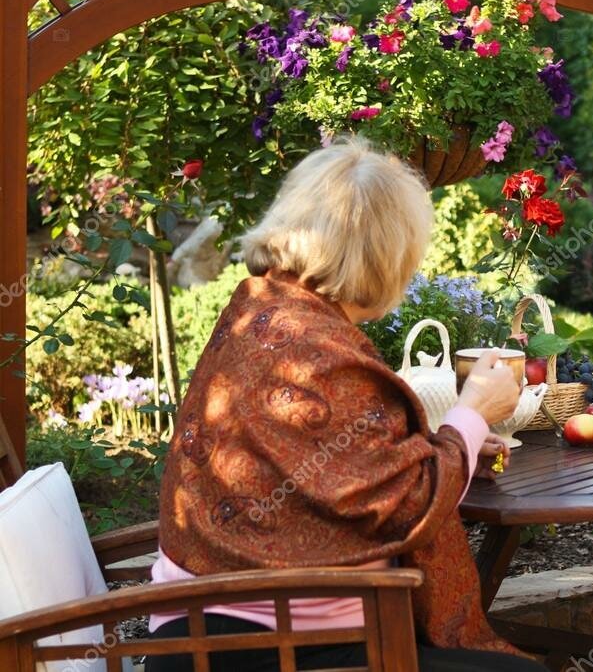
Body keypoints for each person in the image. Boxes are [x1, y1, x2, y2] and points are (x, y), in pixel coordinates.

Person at [144, 137, 544, 671]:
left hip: (206, 633)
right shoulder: (321, 353)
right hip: (261, 649)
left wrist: (445, 443)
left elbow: (337, 470)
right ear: (385, 257)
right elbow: (409, 510)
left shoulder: (262, 304)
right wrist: (473, 412)